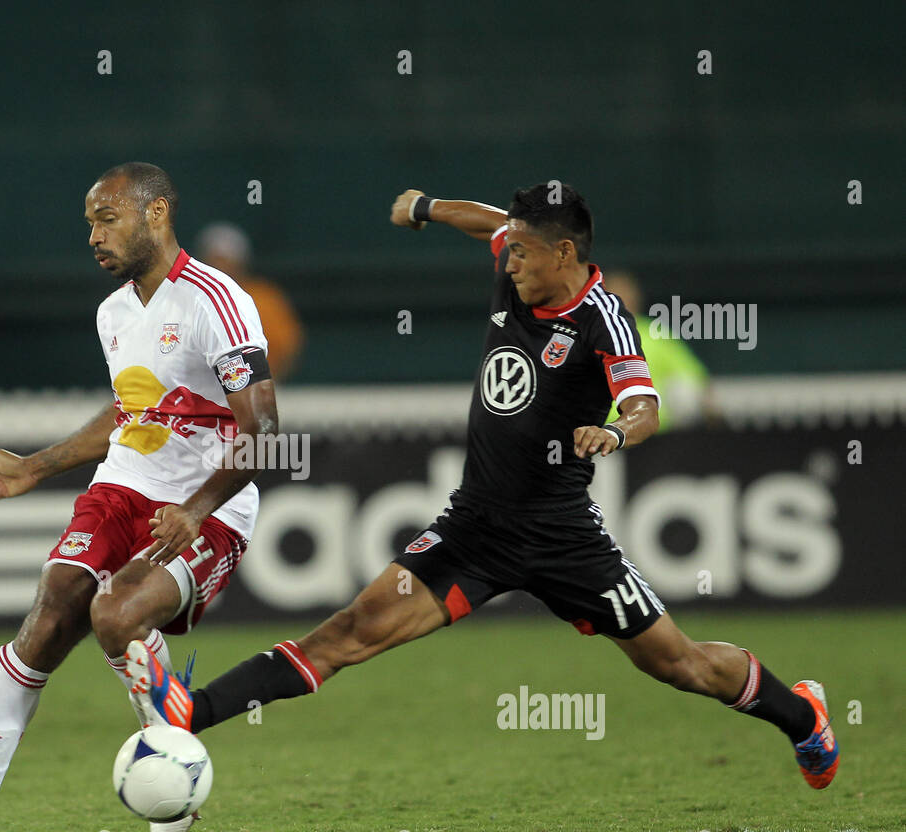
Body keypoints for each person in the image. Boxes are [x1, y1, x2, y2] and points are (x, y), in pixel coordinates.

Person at [125, 183, 839, 798]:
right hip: (474, 529)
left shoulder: (603, 320)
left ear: (566, 254)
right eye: (512, 250)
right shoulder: (518, 264)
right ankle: (190, 712)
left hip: (563, 537)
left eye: (525, 252)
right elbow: (488, 220)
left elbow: (644, 405)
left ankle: (803, 716)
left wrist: (617, 433)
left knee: (679, 664)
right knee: (348, 633)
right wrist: (429, 208)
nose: (511, 260)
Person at [0, 163, 278, 832]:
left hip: (207, 504)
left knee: (115, 612)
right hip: (123, 485)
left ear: (156, 214)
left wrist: (195, 507)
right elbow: (131, 410)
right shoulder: (114, 311)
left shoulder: (218, 299)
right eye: (89, 221)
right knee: (53, 607)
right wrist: (34, 465)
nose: (94, 234)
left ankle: (170, 772)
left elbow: (265, 432)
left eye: (108, 217)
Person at [600, 270, 720, 430]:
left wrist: (714, 419)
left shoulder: (656, 334)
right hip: (605, 434)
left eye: (627, 294)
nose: (623, 300)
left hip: (653, 434)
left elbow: (693, 378)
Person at [196, 222, 303, 379]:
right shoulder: (188, 298)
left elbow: (287, 347)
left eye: (225, 261)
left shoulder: (264, 298)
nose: (219, 267)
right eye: (213, 260)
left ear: (240, 263)